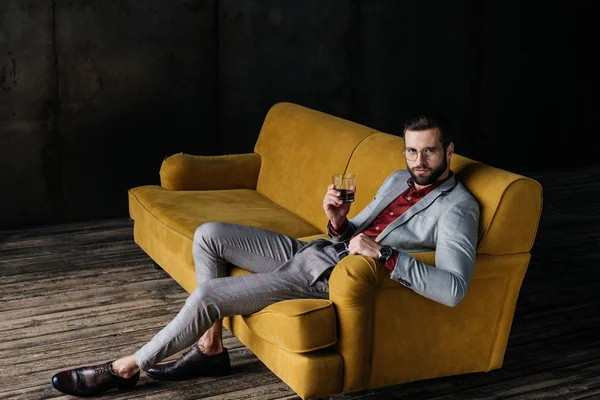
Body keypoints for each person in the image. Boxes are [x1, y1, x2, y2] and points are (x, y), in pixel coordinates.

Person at [51, 112, 480, 397]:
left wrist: (384, 254)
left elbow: (454, 289)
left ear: (449, 151)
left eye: (428, 151)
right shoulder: (396, 180)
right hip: (316, 249)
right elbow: (354, 232)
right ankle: (211, 348)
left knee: (208, 296)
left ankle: (125, 368)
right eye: (411, 150)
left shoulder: (458, 207)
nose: (418, 160)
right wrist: (337, 219)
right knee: (209, 234)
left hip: (325, 277)